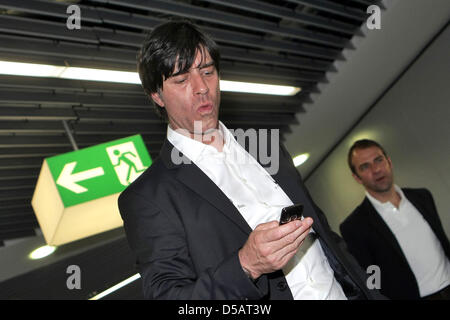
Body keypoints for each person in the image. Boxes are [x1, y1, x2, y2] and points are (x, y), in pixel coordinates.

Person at [118, 20, 385, 300]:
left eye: (207, 71)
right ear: (156, 95)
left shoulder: (266, 146)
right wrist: (246, 265)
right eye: (182, 80)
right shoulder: (147, 197)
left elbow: (325, 236)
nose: (201, 88)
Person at [340, 139, 450, 300]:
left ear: (388, 161)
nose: (376, 169)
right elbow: (372, 279)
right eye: (365, 166)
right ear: (357, 177)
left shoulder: (422, 196)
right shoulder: (355, 226)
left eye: (378, 160)